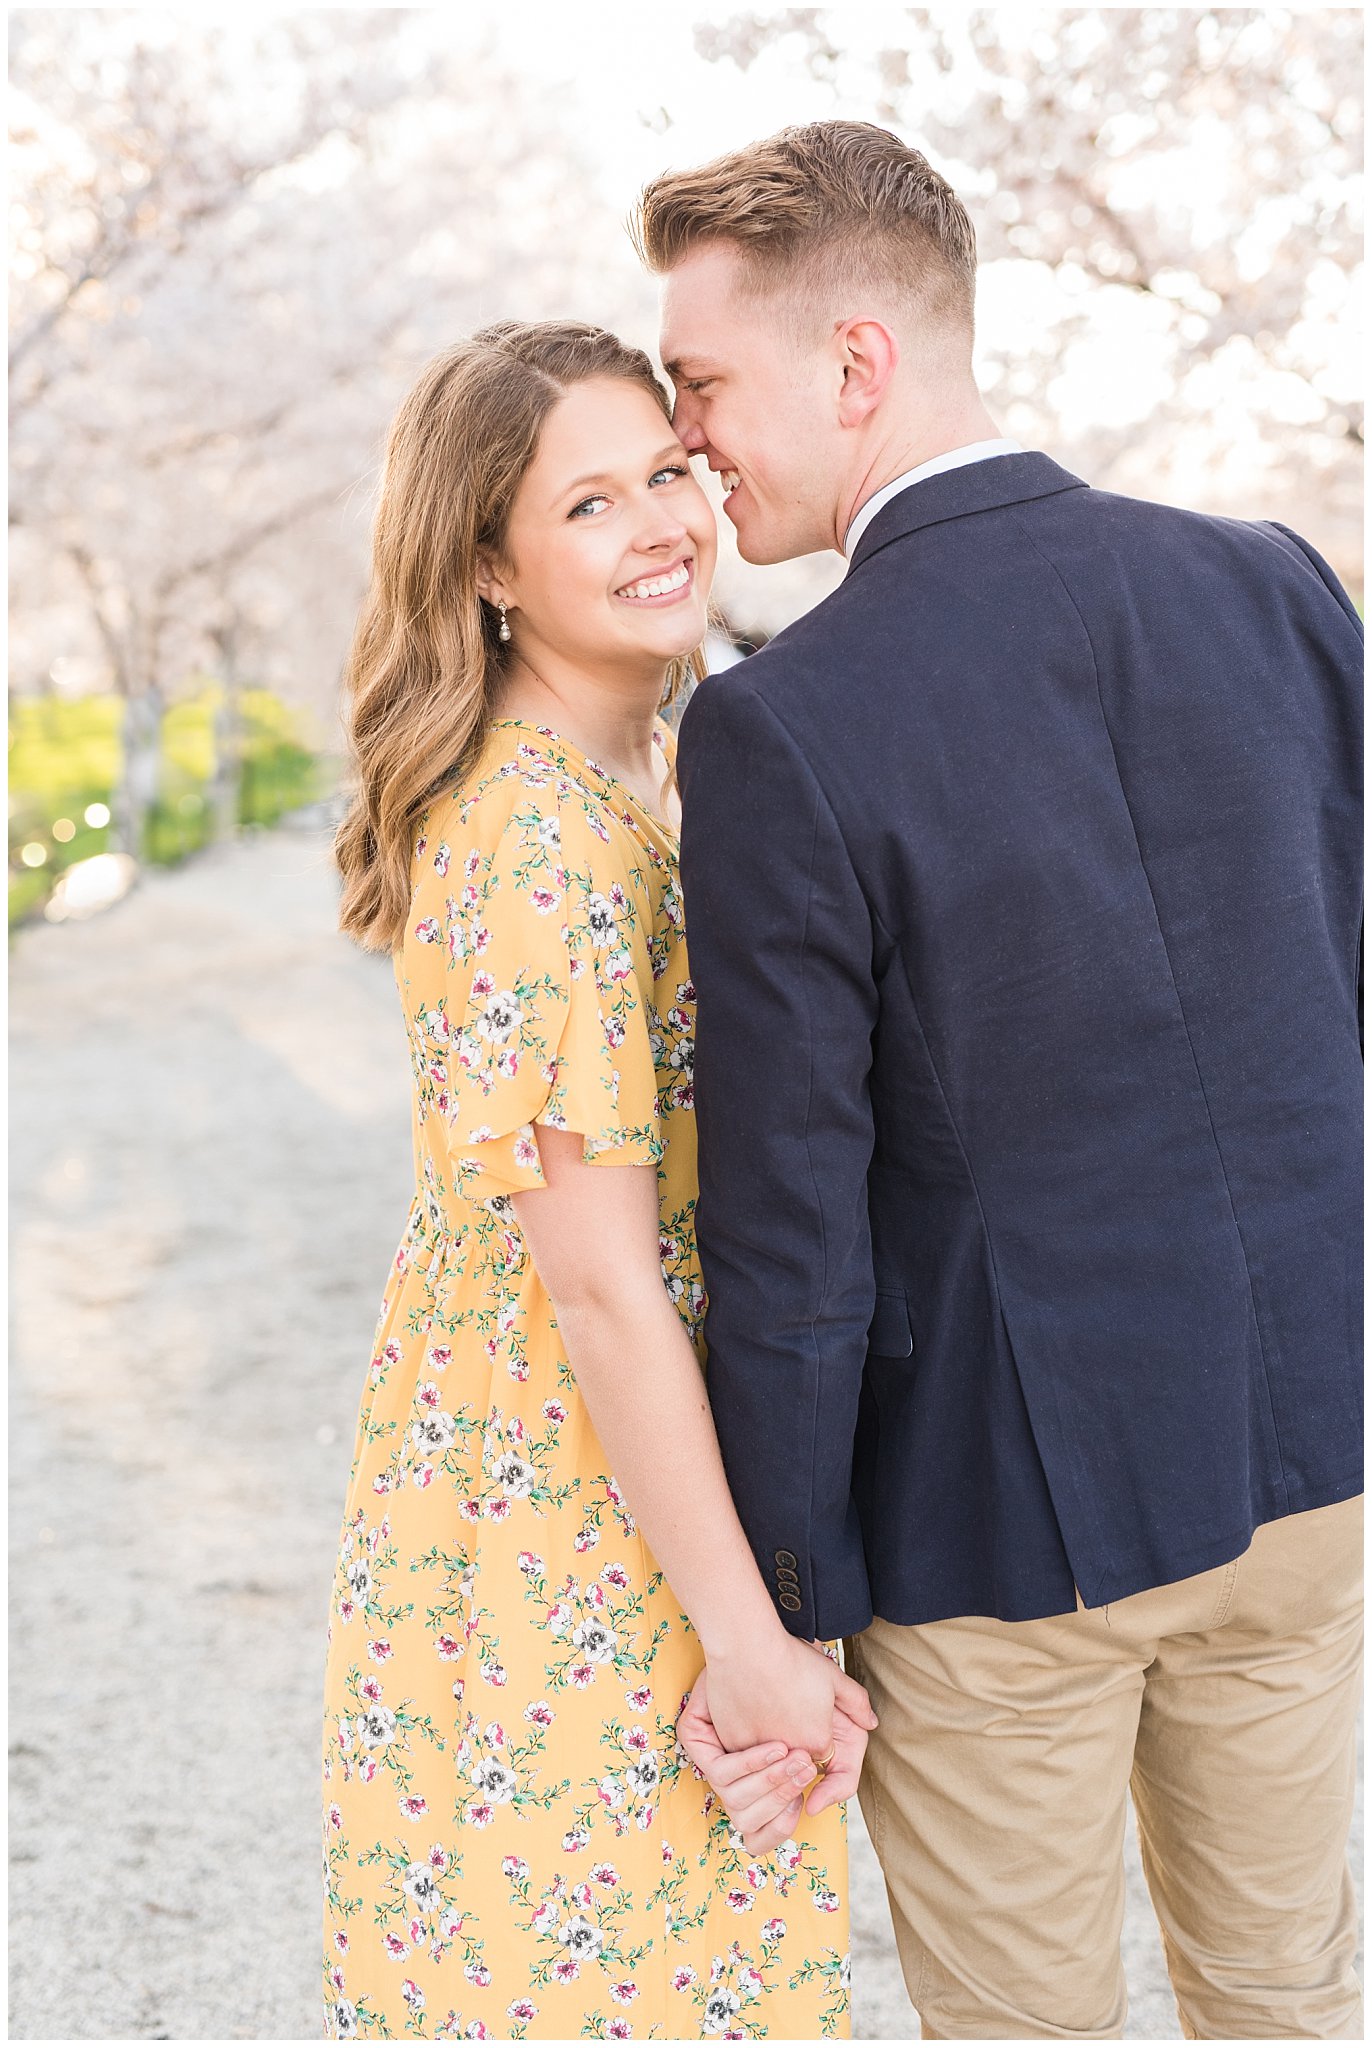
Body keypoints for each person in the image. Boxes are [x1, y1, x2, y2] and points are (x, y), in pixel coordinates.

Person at [635, 121, 1364, 2040]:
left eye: (703, 381)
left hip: (1000, 1523)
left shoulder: (782, 728)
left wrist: (783, 1602)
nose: (688, 435)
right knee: (1289, 1996)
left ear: (854, 363)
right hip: (1306, 1465)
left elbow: (795, 1234)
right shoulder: (1278, 589)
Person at [321, 320, 874, 2043]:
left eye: (668, 473)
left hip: (628, 1470)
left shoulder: (624, 785)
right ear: (486, 563)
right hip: (572, 1502)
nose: (659, 524)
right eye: (587, 503)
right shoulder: (535, 840)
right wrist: (753, 1638)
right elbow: (601, 1285)